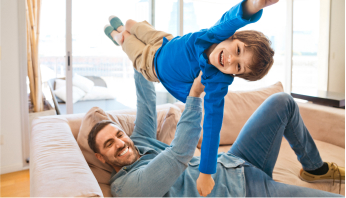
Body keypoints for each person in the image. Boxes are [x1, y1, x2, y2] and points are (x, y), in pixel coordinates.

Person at [104, 0, 279, 195]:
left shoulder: (214, 81)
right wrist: (254, 5)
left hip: (150, 65)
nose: (230, 59)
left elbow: (213, 126)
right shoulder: (215, 35)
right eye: (237, 50)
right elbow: (233, 18)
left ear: (235, 74)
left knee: (127, 40)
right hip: (164, 41)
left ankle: (119, 38)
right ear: (232, 37)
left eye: (238, 67)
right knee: (131, 25)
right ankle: (124, 30)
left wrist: (206, 172)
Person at [87, 69, 344, 197]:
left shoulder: (139, 142)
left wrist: (136, 51)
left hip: (235, 160)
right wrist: (194, 96)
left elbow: (145, 99)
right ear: (101, 158)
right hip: (245, 190)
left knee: (282, 101)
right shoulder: (127, 187)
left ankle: (314, 168)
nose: (121, 143)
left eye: (119, 135)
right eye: (109, 144)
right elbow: (179, 155)